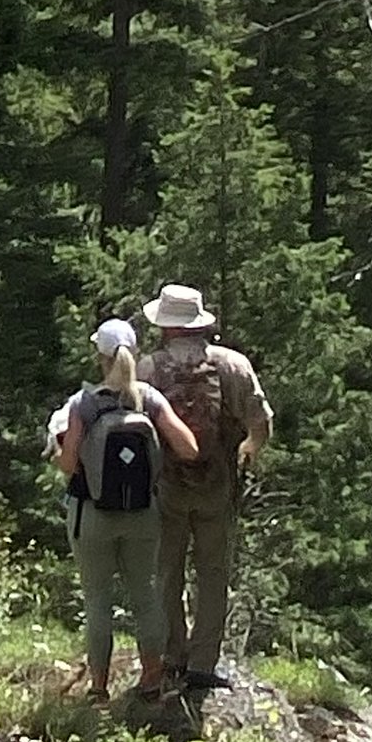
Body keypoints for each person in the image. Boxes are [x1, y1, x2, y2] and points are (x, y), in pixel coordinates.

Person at [51, 318, 202, 703]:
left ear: (99, 356)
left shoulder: (82, 404)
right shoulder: (149, 400)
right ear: (134, 353)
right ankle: (152, 677)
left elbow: (68, 465)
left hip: (92, 514)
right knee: (146, 595)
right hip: (142, 513)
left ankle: (99, 688)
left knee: (97, 599)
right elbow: (188, 448)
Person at [138, 281, 274, 694]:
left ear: (165, 326)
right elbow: (261, 422)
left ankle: (173, 656)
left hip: (166, 486)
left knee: (166, 573)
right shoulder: (233, 365)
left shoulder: (147, 368)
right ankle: (202, 663)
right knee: (213, 573)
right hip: (218, 486)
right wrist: (249, 450)